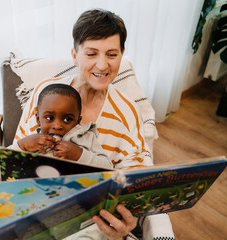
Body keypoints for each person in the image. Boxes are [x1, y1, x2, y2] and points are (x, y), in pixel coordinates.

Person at [13, 8, 174, 240]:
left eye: (111, 54)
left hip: (94, 219)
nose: (102, 66)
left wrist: (125, 223)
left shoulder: (128, 113)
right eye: (91, 54)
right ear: (74, 54)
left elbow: (134, 180)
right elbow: (16, 160)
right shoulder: (45, 95)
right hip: (42, 206)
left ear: (122, 54)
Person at [10, 83, 113, 169]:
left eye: (67, 119)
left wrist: (80, 155)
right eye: (49, 118)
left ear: (78, 122)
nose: (57, 126)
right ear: (38, 119)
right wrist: (21, 146)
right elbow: (0, 170)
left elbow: (108, 168)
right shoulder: (32, 142)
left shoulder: (85, 138)